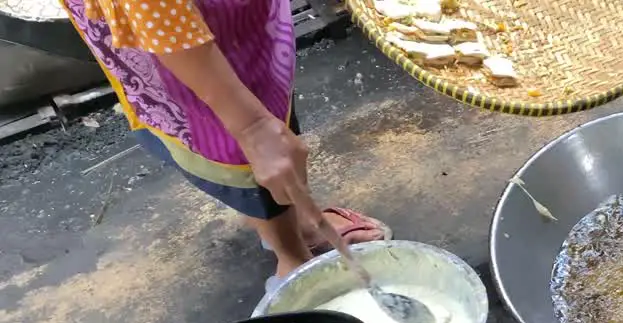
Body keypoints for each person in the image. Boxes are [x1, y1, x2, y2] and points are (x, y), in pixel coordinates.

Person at [61, 0, 389, 289]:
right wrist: (252, 126)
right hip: (171, 30)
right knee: (242, 149)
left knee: (270, 117)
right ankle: (292, 259)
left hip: (225, 21)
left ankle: (295, 223)